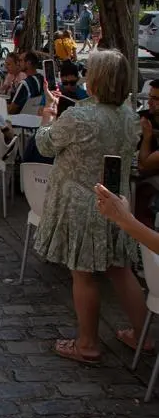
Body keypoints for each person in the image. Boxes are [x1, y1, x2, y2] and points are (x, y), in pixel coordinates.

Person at [31, 49, 150, 364]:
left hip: (81, 201)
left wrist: (48, 113)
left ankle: (87, 344)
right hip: (116, 200)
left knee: (83, 274)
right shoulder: (128, 115)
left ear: (95, 79)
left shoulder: (80, 117)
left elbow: (44, 144)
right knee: (121, 270)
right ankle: (142, 335)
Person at [134, 80, 159, 226]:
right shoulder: (144, 117)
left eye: (155, 99)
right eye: (150, 97)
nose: (149, 102)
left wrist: (147, 137)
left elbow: (145, 164)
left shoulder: (146, 125)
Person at [8, 51, 44, 115]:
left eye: (21, 61)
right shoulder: (41, 79)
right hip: (35, 119)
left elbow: (11, 110)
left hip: (19, 120)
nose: (18, 64)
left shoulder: (24, 84)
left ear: (28, 63)